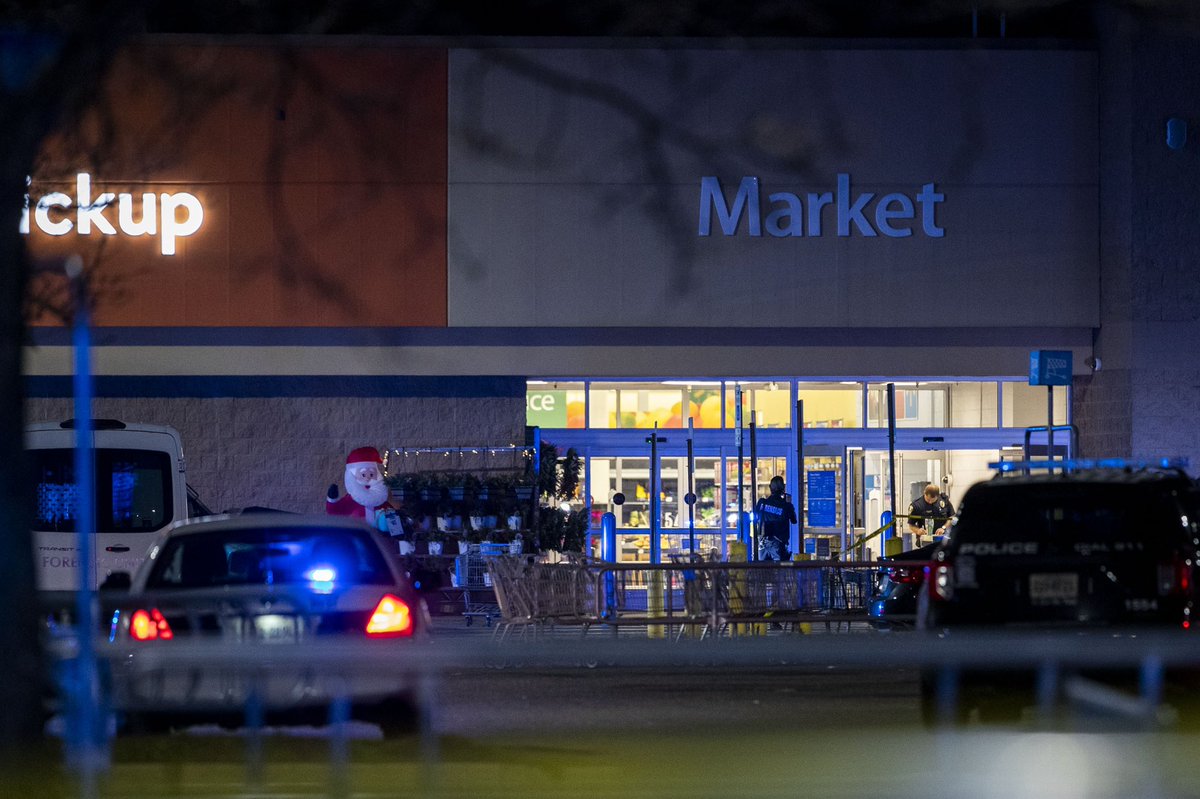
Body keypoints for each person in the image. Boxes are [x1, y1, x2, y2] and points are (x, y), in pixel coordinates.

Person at [326, 446, 396, 529]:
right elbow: (335, 511)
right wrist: (332, 499)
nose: (368, 478)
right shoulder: (351, 500)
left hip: (380, 537)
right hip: (359, 535)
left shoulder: (380, 499)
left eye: (371, 474)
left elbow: (392, 519)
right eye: (363, 475)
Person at [754, 476, 797, 561]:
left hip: (762, 544)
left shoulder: (762, 503)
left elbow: (755, 518)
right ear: (783, 488)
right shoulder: (786, 505)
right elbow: (794, 520)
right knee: (779, 572)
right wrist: (789, 504)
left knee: (761, 572)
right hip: (778, 544)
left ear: (770, 488)